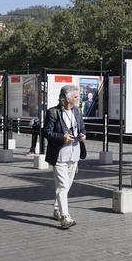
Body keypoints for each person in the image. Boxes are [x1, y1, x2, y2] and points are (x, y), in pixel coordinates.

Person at [43, 84, 87, 230]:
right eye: (75, 97)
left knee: (66, 186)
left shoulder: (77, 111)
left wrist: (82, 135)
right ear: (67, 99)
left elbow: (82, 127)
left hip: (74, 154)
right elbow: (47, 133)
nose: (78, 99)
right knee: (62, 186)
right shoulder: (52, 112)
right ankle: (65, 217)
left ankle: (56, 208)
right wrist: (62, 137)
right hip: (60, 155)